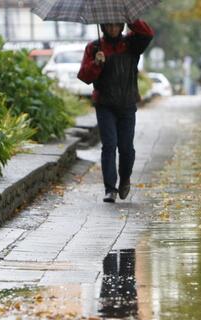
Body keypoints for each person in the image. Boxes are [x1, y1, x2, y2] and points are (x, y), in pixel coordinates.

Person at [78, 20, 155, 203]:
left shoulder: (131, 44)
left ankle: (125, 178)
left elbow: (148, 34)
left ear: (122, 26)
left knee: (126, 148)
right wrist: (96, 63)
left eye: (116, 25)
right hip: (105, 105)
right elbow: (84, 76)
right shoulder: (94, 47)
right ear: (103, 26)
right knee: (109, 145)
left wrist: (130, 18)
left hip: (127, 104)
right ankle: (110, 188)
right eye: (109, 25)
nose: (113, 29)